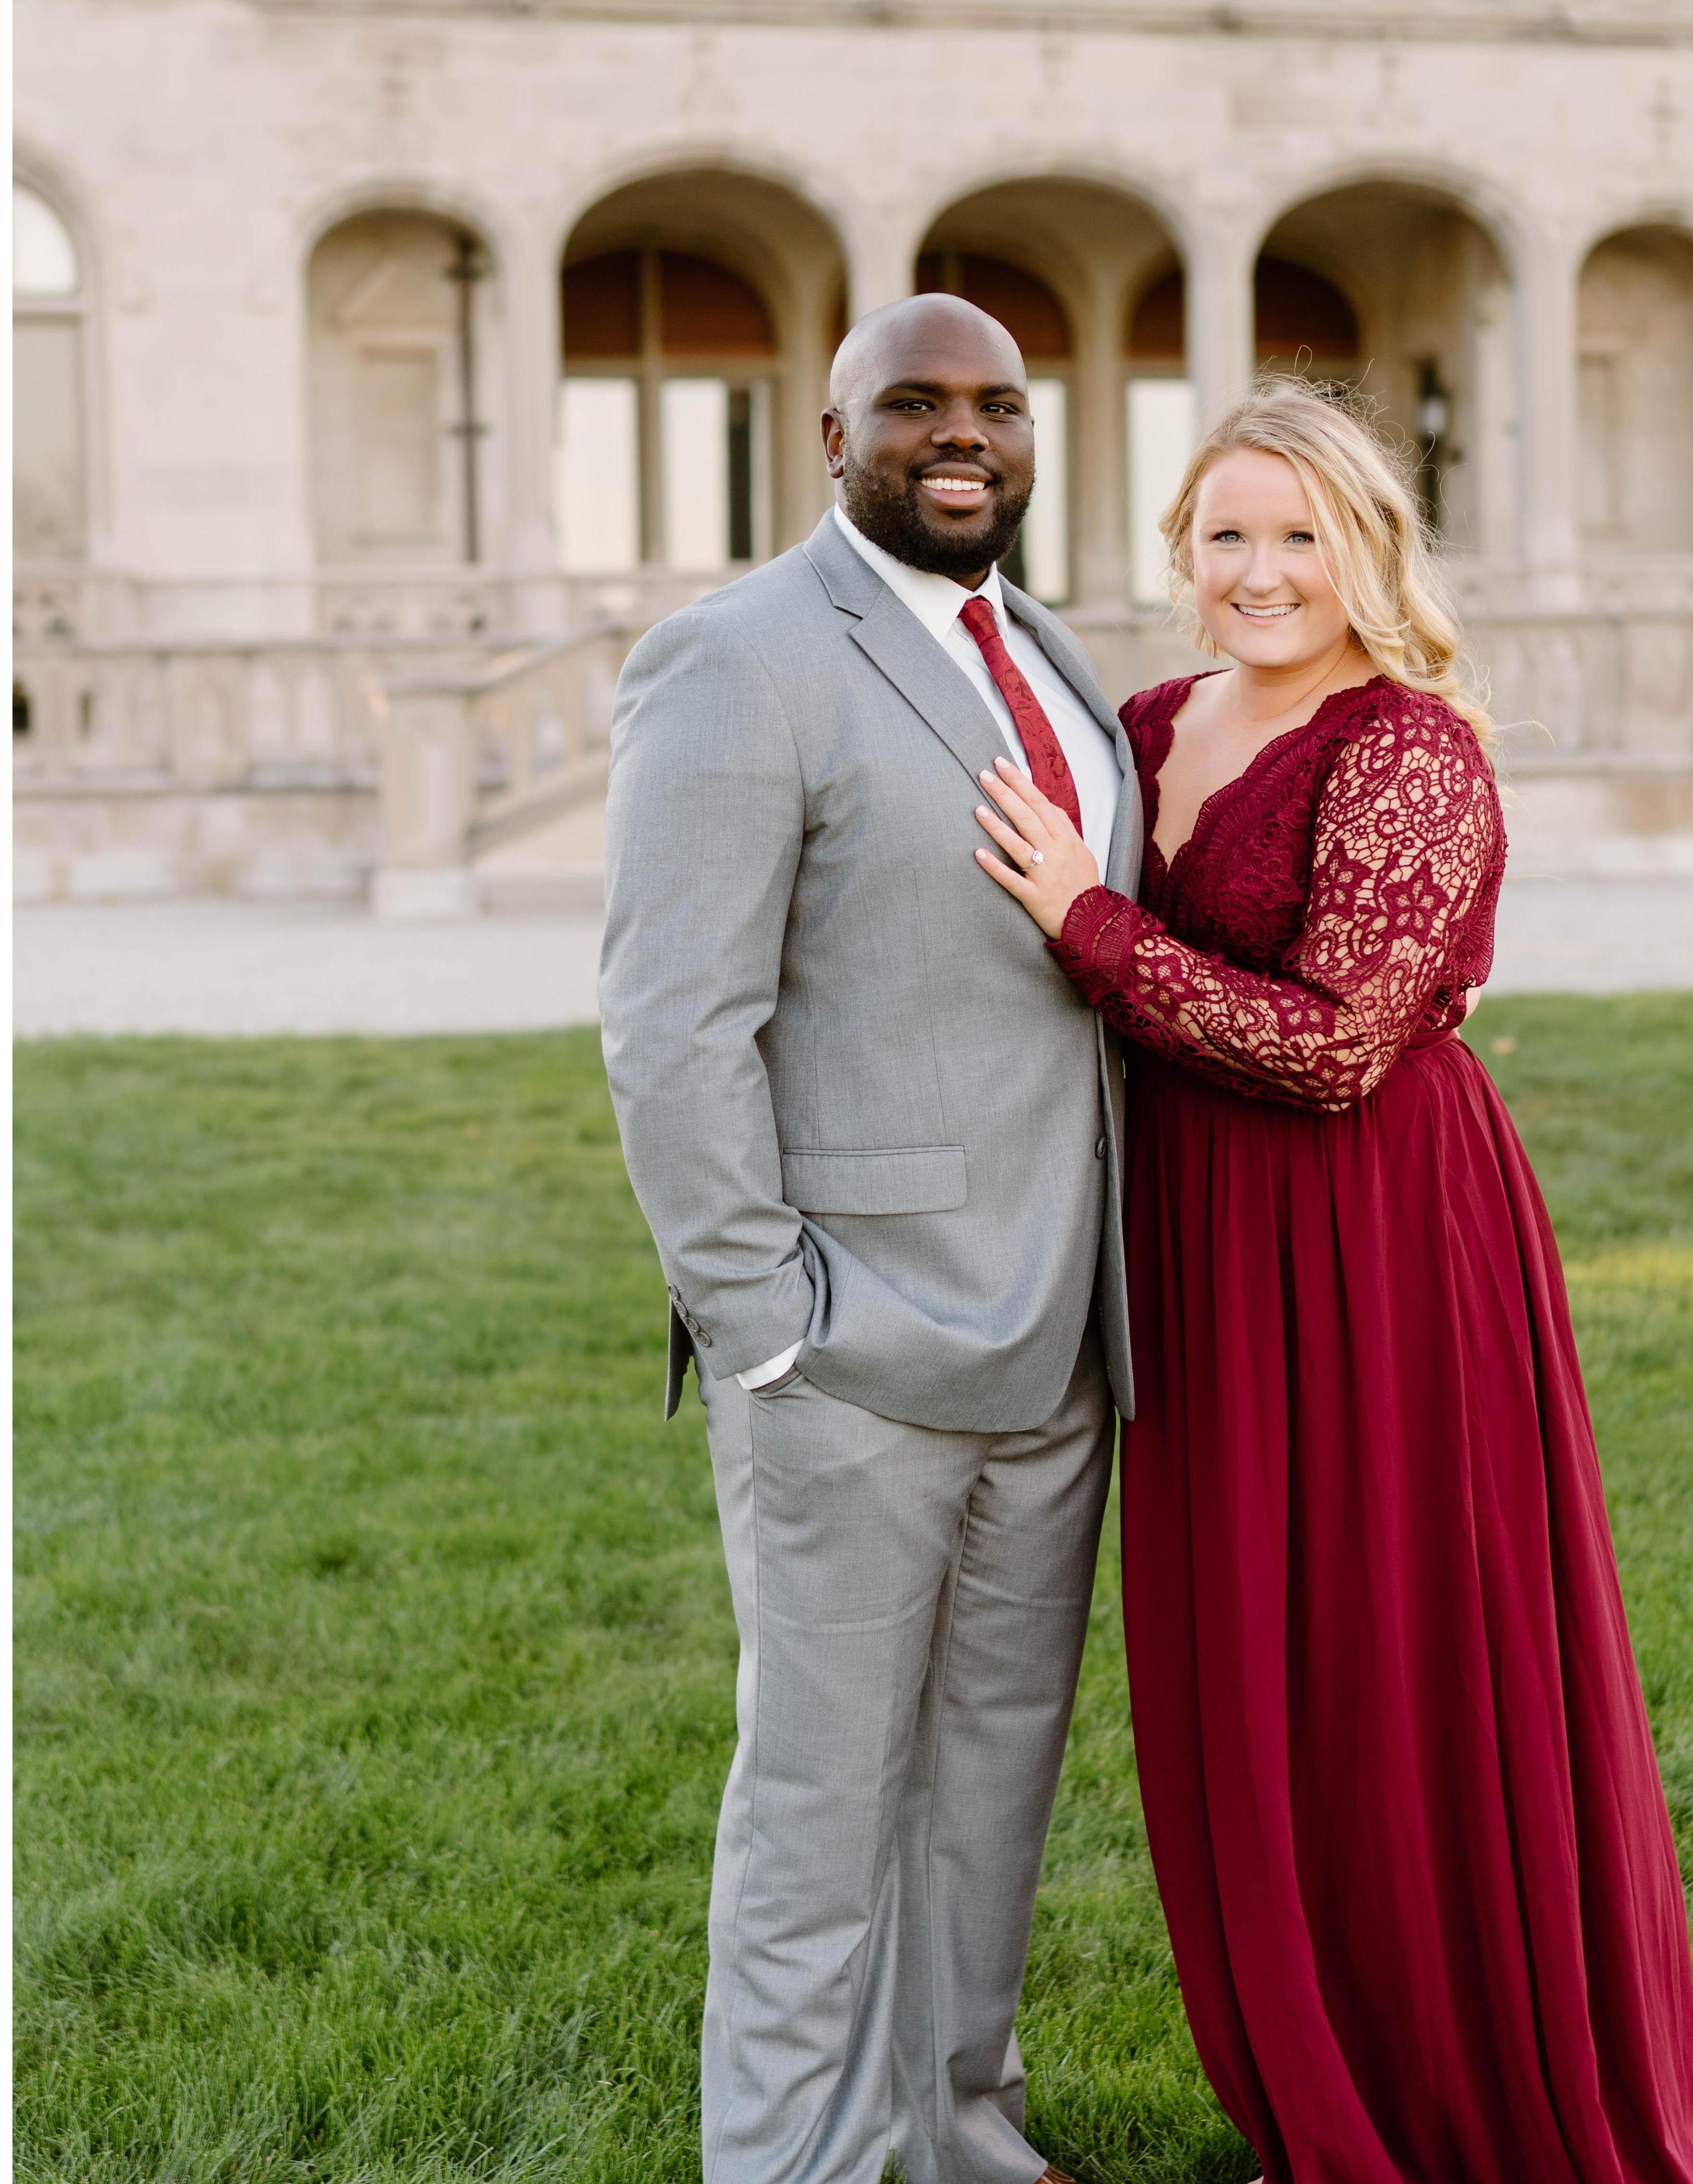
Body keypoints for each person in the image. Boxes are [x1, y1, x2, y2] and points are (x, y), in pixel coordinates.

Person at [971, 380, 1693, 2184]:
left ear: (1368, 552)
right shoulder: (1140, 724)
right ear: (1179, 552)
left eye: (1302, 536)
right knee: (1247, 1671)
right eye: (1228, 535)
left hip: (1374, 1241)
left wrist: (1090, 925)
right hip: (1199, 1243)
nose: (1262, 571)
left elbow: (1341, 1046)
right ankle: (1309, 2084)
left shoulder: (1409, 747)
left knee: (1385, 1647)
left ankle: (1450, 2081)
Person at [598, 293, 1140, 2184]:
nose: (963, 432)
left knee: (986, 1797)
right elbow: (676, 1030)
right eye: (912, 404)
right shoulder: (737, 661)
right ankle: (797, 2163)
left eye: (996, 402)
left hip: (1063, 1344)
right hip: (849, 1353)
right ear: (832, 438)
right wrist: (762, 1323)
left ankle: (955, 2126)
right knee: (821, 1818)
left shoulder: (1043, 656)